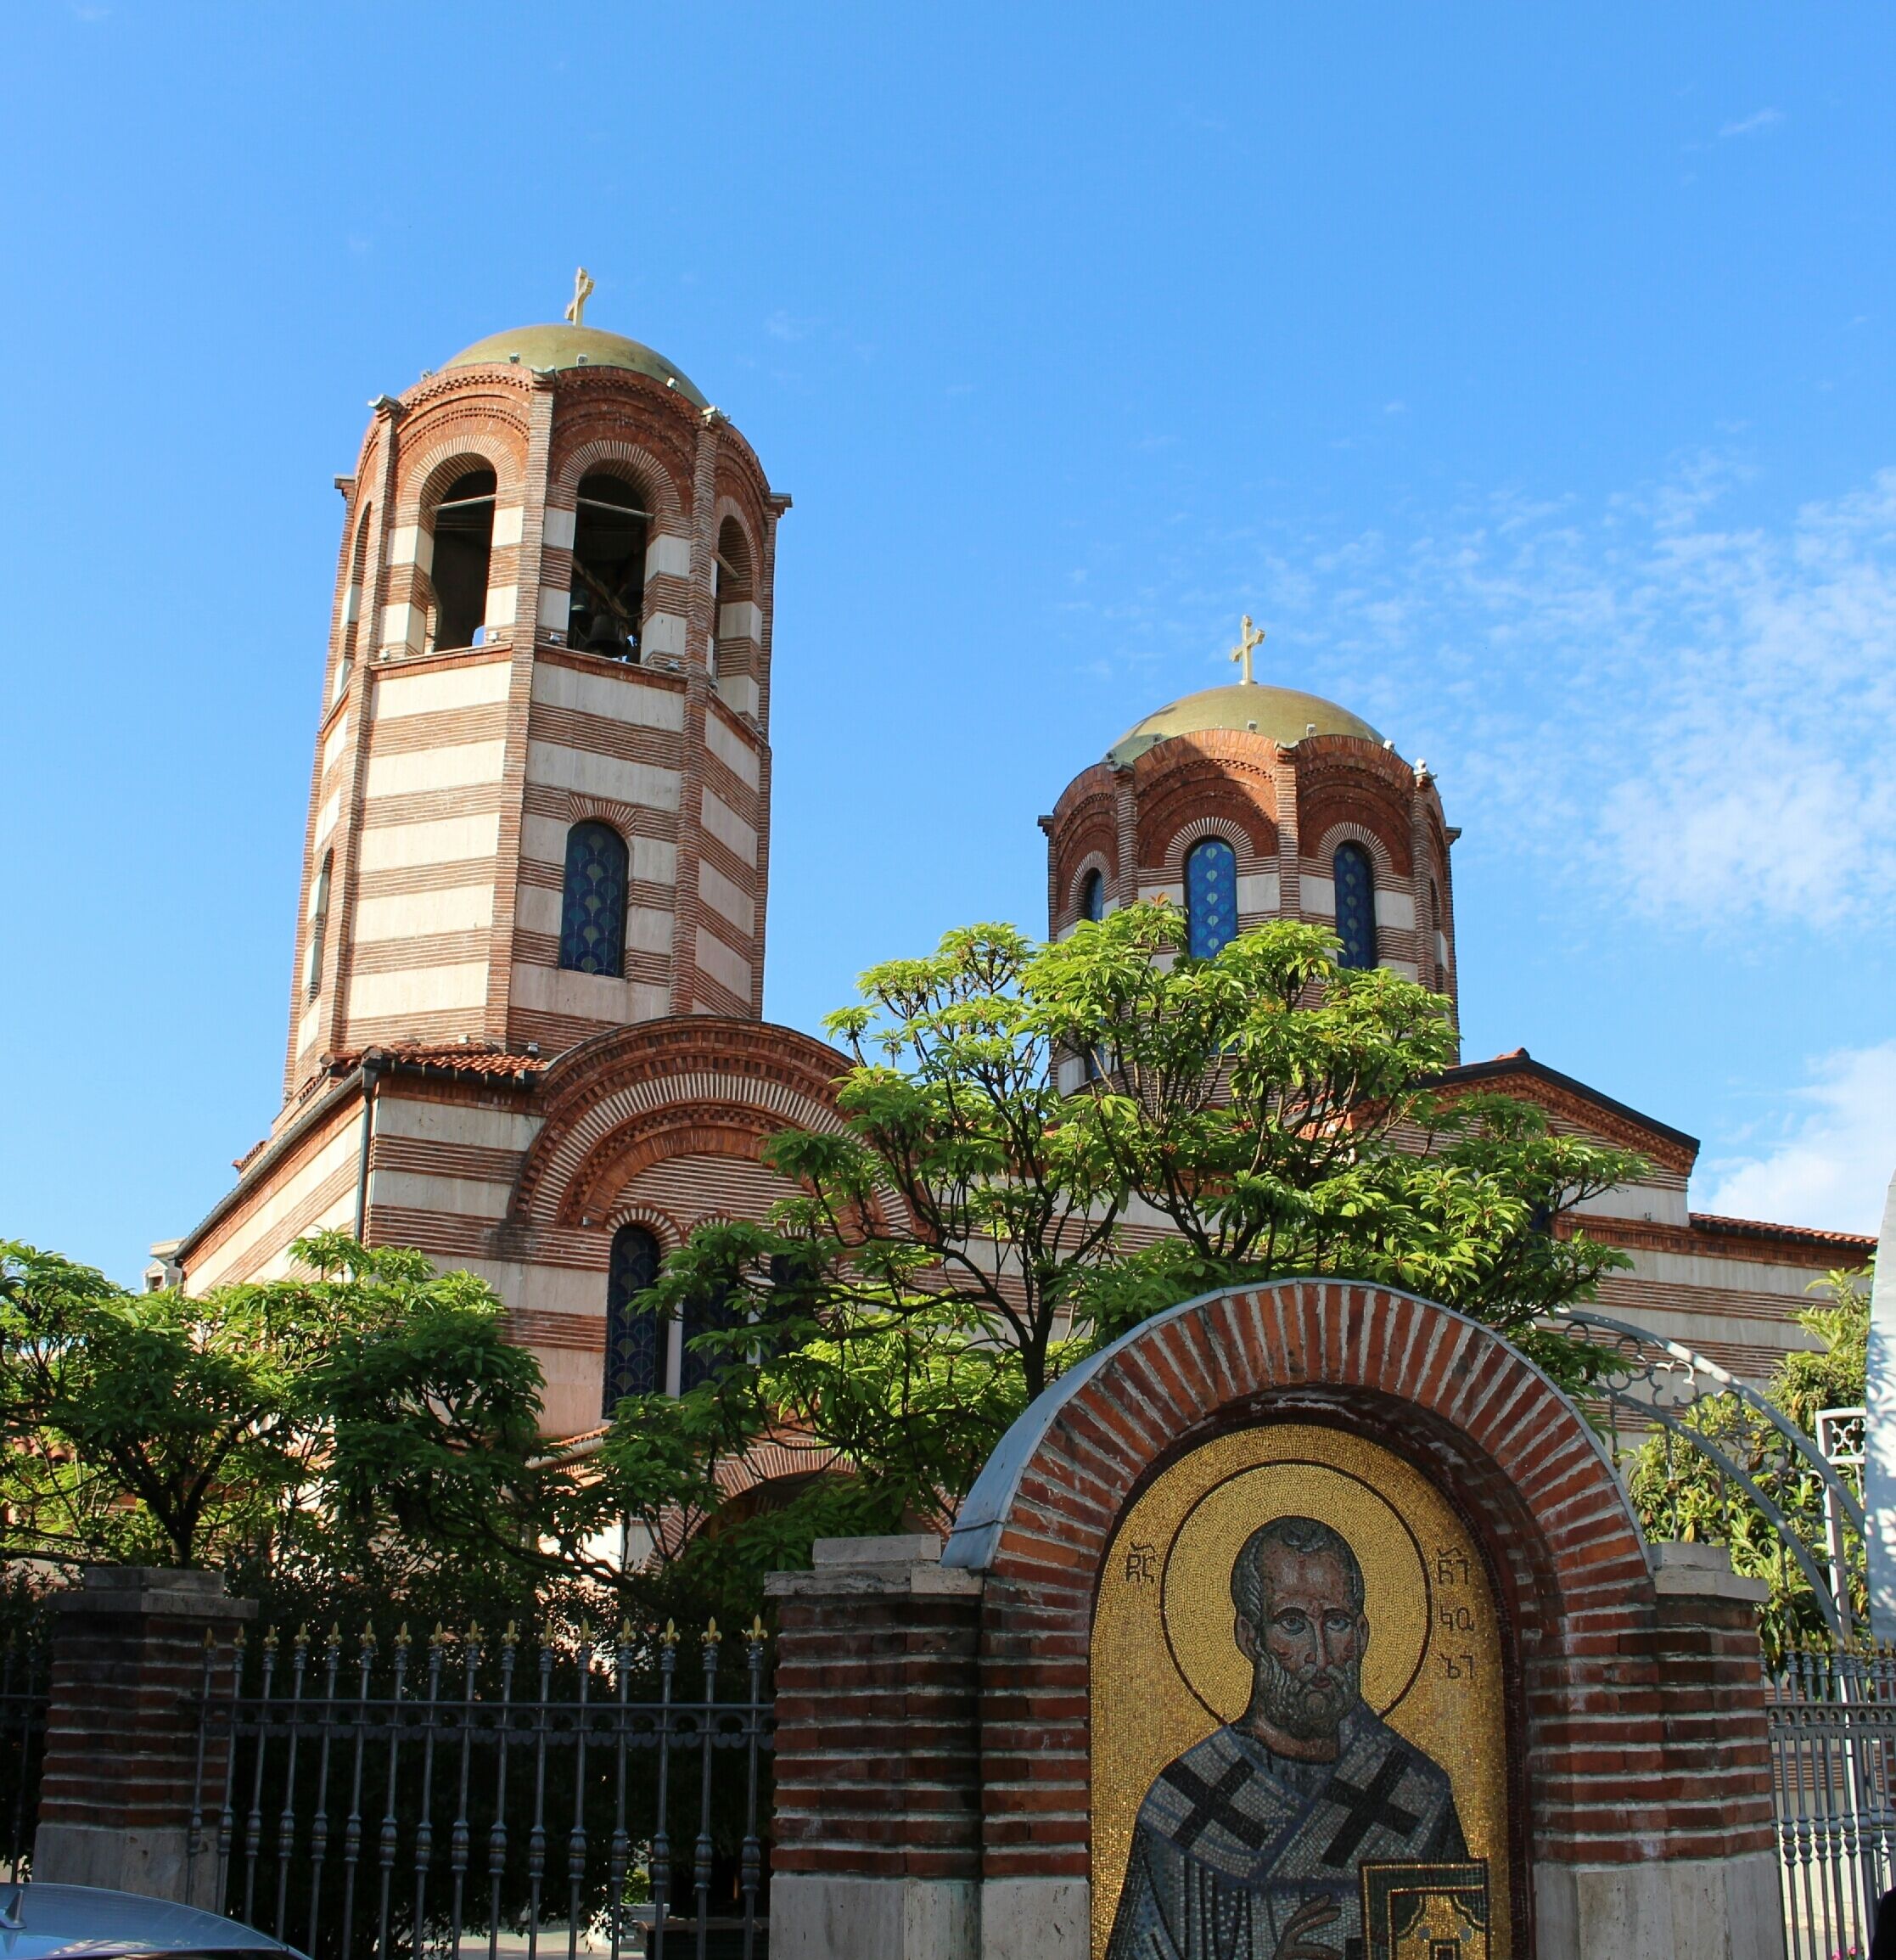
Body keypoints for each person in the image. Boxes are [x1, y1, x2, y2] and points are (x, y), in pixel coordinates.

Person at [1106, 1516, 1467, 1960]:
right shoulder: (1186, 1805)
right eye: (1292, 1623)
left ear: (1363, 1634)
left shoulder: (1416, 1794)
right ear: (1249, 1637)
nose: (1320, 1653)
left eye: (1336, 1622)